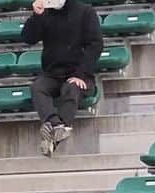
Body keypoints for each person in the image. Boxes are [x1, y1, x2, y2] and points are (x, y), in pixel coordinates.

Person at [21, 0, 103, 157]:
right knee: (38, 87)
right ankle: (56, 124)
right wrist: (37, 16)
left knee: (70, 89)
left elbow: (96, 45)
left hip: (79, 75)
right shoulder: (45, 12)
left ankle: (52, 139)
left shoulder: (85, 11)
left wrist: (81, 74)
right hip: (52, 74)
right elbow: (28, 38)